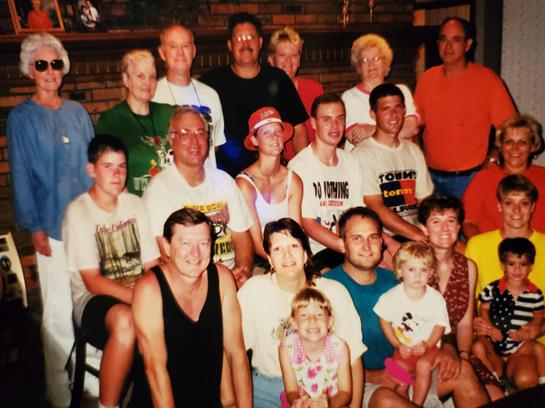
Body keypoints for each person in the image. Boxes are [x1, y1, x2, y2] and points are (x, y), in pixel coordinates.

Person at [325, 206, 489, 408]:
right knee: (385, 399)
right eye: (357, 238)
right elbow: (316, 356)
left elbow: (435, 318)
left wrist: (448, 348)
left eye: (373, 237)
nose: (367, 246)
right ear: (342, 243)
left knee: (462, 371)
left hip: (410, 371)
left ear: (381, 241)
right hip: (360, 383)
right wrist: (373, 376)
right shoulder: (326, 287)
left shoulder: (399, 279)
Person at [7, 33, 93, 407]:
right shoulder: (21, 118)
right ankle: (59, 389)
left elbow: (92, 166)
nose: (50, 71)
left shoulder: (77, 112)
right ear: (30, 70)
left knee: (90, 302)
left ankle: (94, 382)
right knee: (58, 311)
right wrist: (34, 227)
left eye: (55, 63)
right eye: (41, 64)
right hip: (51, 228)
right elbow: (21, 175)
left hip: (85, 225)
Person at [63, 134, 159, 408]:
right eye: (108, 166)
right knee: (127, 322)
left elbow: (151, 265)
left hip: (137, 292)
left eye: (122, 166)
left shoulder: (135, 204)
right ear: (91, 170)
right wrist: (142, 300)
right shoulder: (79, 211)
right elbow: (93, 281)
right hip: (94, 300)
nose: (118, 174)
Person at [238, 218, 366, 408]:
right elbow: (234, 351)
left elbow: (354, 359)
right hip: (268, 385)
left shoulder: (333, 291)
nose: (287, 255)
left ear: (305, 254)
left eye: (294, 246)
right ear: (270, 259)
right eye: (278, 249)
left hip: (324, 389)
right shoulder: (254, 290)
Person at [131, 208, 252, 407]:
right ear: (167, 247)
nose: (195, 254)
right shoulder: (149, 290)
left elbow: (236, 353)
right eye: (185, 243)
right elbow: (155, 370)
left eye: (203, 243)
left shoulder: (222, 279)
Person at [143, 105, 253, 287]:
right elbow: (165, 253)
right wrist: (218, 283)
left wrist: (244, 269)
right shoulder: (159, 190)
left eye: (200, 133)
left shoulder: (224, 181)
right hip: (190, 283)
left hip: (233, 278)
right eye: (185, 133)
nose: (194, 141)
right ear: (171, 139)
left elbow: (241, 236)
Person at [414, 17, 516, 198]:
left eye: (456, 39)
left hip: (469, 179)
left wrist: (493, 158)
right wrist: (418, 160)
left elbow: (511, 128)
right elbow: (414, 126)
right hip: (430, 178)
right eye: (443, 39)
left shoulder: (487, 80)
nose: (448, 46)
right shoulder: (426, 79)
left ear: (468, 45)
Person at [200, 12, 309, 177]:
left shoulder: (278, 79)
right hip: (224, 179)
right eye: (239, 38)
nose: (246, 43)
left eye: (251, 37)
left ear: (260, 42)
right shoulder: (211, 83)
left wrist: (303, 173)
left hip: (271, 176)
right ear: (229, 45)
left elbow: (298, 130)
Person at [418, 194, 504, 400]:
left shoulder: (468, 266)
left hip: (459, 349)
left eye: (450, 220)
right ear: (424, 229)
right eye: (436, 221)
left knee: (497, 397)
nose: (444, 228)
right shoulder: (414, 264)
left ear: (458, 227)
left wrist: (463, 356)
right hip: (422, 353)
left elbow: (465, 323)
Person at [288, 93, 365, 270]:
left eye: (339, 118)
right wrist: (347, 247)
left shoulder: (351, 161)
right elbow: (308, 223)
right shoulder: (299, 166)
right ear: (313, 123)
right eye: (327, 120)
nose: (335, 126)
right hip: (317, 252)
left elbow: (358, 212)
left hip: (351, 245)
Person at [353, 83, 433, 242]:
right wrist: (419, 236)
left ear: (405, 110)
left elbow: (425, 201)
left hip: (417, 233)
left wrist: (433, 230)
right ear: (373, 115)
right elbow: (374, 206)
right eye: (386, 109)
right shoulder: (362, 154)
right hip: (384, 239)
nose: (394, 115)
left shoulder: (413, 151)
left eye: (398, 107)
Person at [374, 241, 450, 405]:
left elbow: (440, 326)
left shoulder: (435, 299)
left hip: (429, 347)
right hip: (404, 349)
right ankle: (405, 394)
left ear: (431, 273)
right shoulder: (391, 297)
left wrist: (427, 345)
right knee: (397, 376)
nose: (418, 275)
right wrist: (396, 344)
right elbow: (384, 321)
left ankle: (417, 403)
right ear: (400, 271)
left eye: (423, 270)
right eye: (411, 269)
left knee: (423, 365)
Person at [95, 49, 174, 196]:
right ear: (126, 79)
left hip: (171, 200)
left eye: (152, 77)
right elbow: (106, 173)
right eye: (140, 76)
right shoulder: (111, 121)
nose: (147, 82)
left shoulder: (168, 113)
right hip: (134, 202)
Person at [472, 238, 545, 389]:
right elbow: (483, 309)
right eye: (511, 264)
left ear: (530, 267)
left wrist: (530, 329)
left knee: (539, 349)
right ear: (502, 265)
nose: (517, 270)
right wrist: (490, 328)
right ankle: (495, 382)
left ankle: (543, 380)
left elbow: (539, 316)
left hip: (519, 346)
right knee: (477, 347)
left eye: (523, 264)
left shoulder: (535, 294)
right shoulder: (492, 288)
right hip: (494, 341)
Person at [236, 107, 303, 263]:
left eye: (278, 131)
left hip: (291, 255)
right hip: (260, 258)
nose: (274, 137)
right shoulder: (245, 184)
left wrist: (296, 259)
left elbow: (297, 231)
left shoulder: (293, 180)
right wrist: (279, 263)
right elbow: (255, 243)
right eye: (266, 133)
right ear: (255, 140)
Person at [153, 24, 225, 168]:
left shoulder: (211, 95)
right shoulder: (153, 95)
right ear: (162, 52)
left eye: (185, 46)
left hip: (206, 180)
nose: (180, 52)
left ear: (193, 51)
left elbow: (215, 145)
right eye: (173, 46)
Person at [463, 114, 545, 238]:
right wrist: (483, 246)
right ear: (500, 146)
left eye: (522, 142)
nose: (515, 148)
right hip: (493, 247)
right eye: (509, 142)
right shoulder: (483, 178)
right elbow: (468, 223)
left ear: (533, 146)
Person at [466, 174, 545, 299]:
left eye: (524, 203)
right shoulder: (476, 246)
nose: (516, 210)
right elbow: (468, 297)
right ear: (499, 206)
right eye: (509, 203)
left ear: (532, 207)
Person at [342, 33, 418, 151]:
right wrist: (395, 131)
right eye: (364, 60)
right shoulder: (349, 97)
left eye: (376, 58)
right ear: (359, 67)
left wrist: (371, 130)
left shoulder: (401, 91)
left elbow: (411, 129)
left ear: (386, 63)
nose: (371, 64)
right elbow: (355, 138)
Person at [279, 287, 352, 407]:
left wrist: (328, 404)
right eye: (304, 315)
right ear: (294, 323)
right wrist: (299, 401)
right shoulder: (286, 348)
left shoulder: (340, 347)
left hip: (333, 403)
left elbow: (345, 392)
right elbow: (291, 391)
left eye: (319, 315)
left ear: (330, 322)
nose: (312, 320)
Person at [268, 26, 324, 159]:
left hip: (312, 161)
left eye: (294, 55)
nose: (288, 61)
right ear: (271, 60)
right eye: (282, 55)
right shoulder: (264, 93)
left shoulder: (314, 90)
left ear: (299, 61)